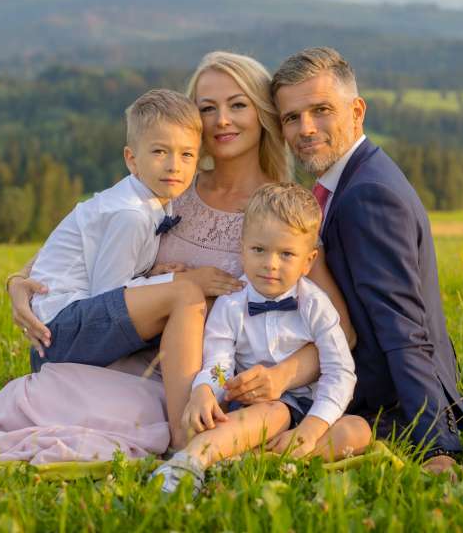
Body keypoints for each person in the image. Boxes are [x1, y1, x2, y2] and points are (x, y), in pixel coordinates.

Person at [6, 52, 354, 450]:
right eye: (208, 108)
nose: (222, 120)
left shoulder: (281, 210)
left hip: (218, 383)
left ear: (262, 113)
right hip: (127, 364)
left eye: (238, 105)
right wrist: (18, 280)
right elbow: (88, 235)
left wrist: (285, 375)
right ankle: (182, 439)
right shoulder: (171, 183)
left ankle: (190, 441)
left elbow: (341, 329)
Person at [271, 47, 463, 476]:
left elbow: (402, 325)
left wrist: (437, 443)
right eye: (292, 117)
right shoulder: (348, 180)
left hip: (383, 400)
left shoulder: (368, 195)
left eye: (321, 110)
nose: (306, 129)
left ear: (356, 111)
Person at [151, 183, 370, 494]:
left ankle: (255, 460)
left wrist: (312, 428)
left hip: (312, 408)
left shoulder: (316, 306)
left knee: (359, 430)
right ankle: (191, 461)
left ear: (308, 262)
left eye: (286, 254)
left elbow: (340, 371)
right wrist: (204, 390)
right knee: (276, 411)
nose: (271, 264)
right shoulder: (232, 304)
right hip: (257, 408)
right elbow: (218, 361)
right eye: (259, 250)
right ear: (242, 249)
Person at [23, 88, 209, 448]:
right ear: (132, 159)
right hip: (57, 334)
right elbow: (109, 297)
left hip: (67, 324)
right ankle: (183, 438)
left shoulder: (146, 202)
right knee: (186, 296)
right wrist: (172, 281)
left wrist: (152, 277)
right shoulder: (130, 215)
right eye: (159, 151)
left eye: (186, 154)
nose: (174, 165)